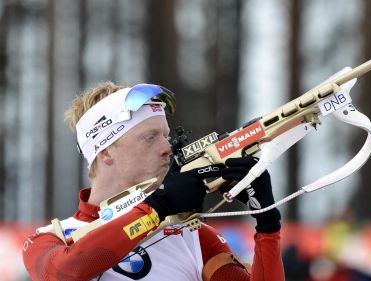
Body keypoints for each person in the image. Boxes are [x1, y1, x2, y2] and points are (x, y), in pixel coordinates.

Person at [22, 82, 285, 281]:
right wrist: (157, 207)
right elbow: (65, 272)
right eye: (150, 138)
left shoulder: (192, 236)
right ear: (105, 152)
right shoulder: (52, 238)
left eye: (166, 135)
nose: (167, 148)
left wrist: (267, 225)